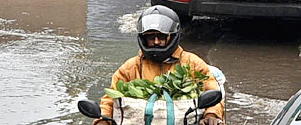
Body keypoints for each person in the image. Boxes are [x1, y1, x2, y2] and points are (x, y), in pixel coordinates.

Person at [96, 7, 224, 125]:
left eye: (162, 36)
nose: (156, 41)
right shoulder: (130, 68)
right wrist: (103, 120)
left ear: (173, 36)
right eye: (151, 37)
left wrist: (211, 114)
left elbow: (212, 92)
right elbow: (109, 101)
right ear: (143, 38)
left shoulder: (193, 64)